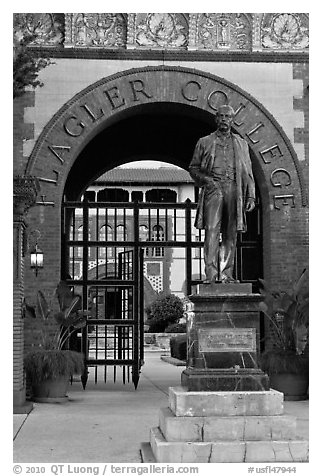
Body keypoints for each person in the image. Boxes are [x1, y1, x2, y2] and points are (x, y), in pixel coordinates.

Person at [189, 104, 255, 283]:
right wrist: (206, 181)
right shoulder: (205, 142)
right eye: (221, 116)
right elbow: (193, 168)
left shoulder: (241, 144)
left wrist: (251, 196)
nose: (224, 119)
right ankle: (210, 274)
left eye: (228, 116)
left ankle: (226, 274)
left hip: (234, 188)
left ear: (233, 120)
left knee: (230, 232)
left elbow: (248, 172)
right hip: (214, 187)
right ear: (216, 119)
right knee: (211, 230)